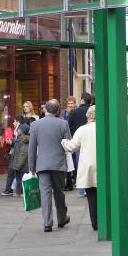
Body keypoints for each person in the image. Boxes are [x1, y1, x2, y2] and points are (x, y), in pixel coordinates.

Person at [28, 99, 72, 233]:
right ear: (58, 111)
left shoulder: (35, 125)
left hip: (42, 164)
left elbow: (32, 148)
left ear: (45, 110)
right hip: (58, 163)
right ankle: (62, 218)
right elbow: (68, 143)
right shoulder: (63, 124)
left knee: (45, 193)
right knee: (59, 192)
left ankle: (47, 223)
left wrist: (31, 166)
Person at [62, 105, 97, 231]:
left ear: (88, 115)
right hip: (103, 167)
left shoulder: (83, 129)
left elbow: (71, 147)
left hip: (88, 166)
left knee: (91, 196)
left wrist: (63, 141)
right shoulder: (105, 127)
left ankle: (95, 222)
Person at [69, 92, 92, 197]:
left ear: (82, 100)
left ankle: (82, 190)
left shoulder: (74, 112)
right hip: (91, 141)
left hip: (78, 142)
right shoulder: (92, 111)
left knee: (80, 165)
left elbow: (69, 127)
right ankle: (90, 187)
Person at [0, 116, 27, 197]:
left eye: (14, 121)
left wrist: (11, 142)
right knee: (14, 174)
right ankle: (12, 190)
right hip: (15, 156)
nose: (13, 123)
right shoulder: (17, 131)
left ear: (18, 122)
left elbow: (19, 143)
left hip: (17, 157)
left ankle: (12, 190)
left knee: (15, 174)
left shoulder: (20, 132)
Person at [60, 96, 77, 191]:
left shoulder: (76, 112)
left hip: (74, 137)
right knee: (68, 160)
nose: (70, 106)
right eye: (68, 104)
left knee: (74, 160)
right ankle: (69, 180)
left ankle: (74, 178)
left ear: (75, 104)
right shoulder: (63, 113)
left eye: (72, 103)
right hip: (66, 139)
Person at [9, 123, 30, 197]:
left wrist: (17, 165)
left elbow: (23, 154)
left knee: (21, 179)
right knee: (18, 179)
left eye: (19, 129)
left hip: (22, 165)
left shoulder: (24, 140)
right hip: (18, 164)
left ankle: (21, 192)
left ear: (23, 131)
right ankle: (19, 192)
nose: (17, 130)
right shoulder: (19, 139)